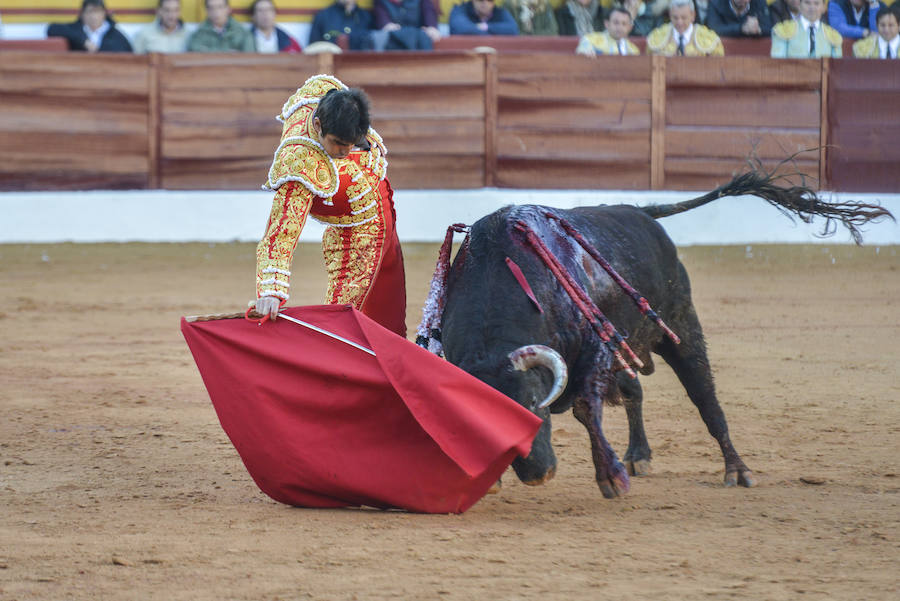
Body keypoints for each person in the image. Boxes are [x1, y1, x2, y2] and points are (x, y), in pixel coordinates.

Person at [254, 75, 406, 337]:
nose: (344, 151)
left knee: (373, 308)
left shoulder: (326, 94)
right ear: (317, 124)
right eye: (337, 142)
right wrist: (270, 290)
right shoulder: (300, 160)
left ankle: (385, 361)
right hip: (358, 227)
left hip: (376, 207)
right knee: (347, 317)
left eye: (351, 143)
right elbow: (282, 231)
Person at [47, 0, 132, 52]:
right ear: (82, 14)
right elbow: (52, 29)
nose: (93, 16)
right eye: (90, 11)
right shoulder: (75, 29)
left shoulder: (116, 35)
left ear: (104, 14)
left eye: (97, 11)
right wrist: (83, 41)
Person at [647, 0, 725, 54]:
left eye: (684, 18)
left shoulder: (709, 38)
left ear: (693, 15)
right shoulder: (656, 37)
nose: (679, 22)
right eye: (675, 17)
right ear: (670, 15)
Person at [771, 0, 842, 57]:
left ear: (823, 8)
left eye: (816, 3)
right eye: (807, 3)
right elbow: (777, 65)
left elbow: (836, 70)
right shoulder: (783, 30)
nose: (812, 7)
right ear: (799, 6)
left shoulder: (834, 36)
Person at [187, 0, 255, 52]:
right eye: (211, 8)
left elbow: (249, 56)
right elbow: (193, 51)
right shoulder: (199, 33)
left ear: (228, 9)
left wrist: (207, 51)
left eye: (220, 7)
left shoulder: (242, 32)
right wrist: (230, 53)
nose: (216, 12)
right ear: (207, 11)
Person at [372, 0, 441, 50]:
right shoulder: (380, 2)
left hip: (420, 41)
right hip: (396, 43)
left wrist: (432, 27)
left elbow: (429, 15)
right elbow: (385, 25)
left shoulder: (422, 1)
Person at [309, 0, 374, 50]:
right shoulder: (322, 16)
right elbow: (313, 49)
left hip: (360, 65)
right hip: (330, 64)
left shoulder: (366, 17)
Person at [576, 5, 641, 54]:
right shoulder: (591, 40)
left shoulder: (633, 50)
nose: (620, 27)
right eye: (616, 23)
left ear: (630, 27)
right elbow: (582, 51)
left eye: (624, 24)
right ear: (607, 24)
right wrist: (586, 52)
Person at [706, 0, 773, 37]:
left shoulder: (759, 2)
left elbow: (770, 29)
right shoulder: (716, 2)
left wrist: (758, 29)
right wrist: (741, 28)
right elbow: (712, 30)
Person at [449, 0, 520, 34]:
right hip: (465, 58)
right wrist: (494, 33)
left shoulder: (500, 12)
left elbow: (513, 29)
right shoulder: (460, 10)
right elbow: (460, 29)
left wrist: (486, 27)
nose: (485, 2)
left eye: (490, 0)